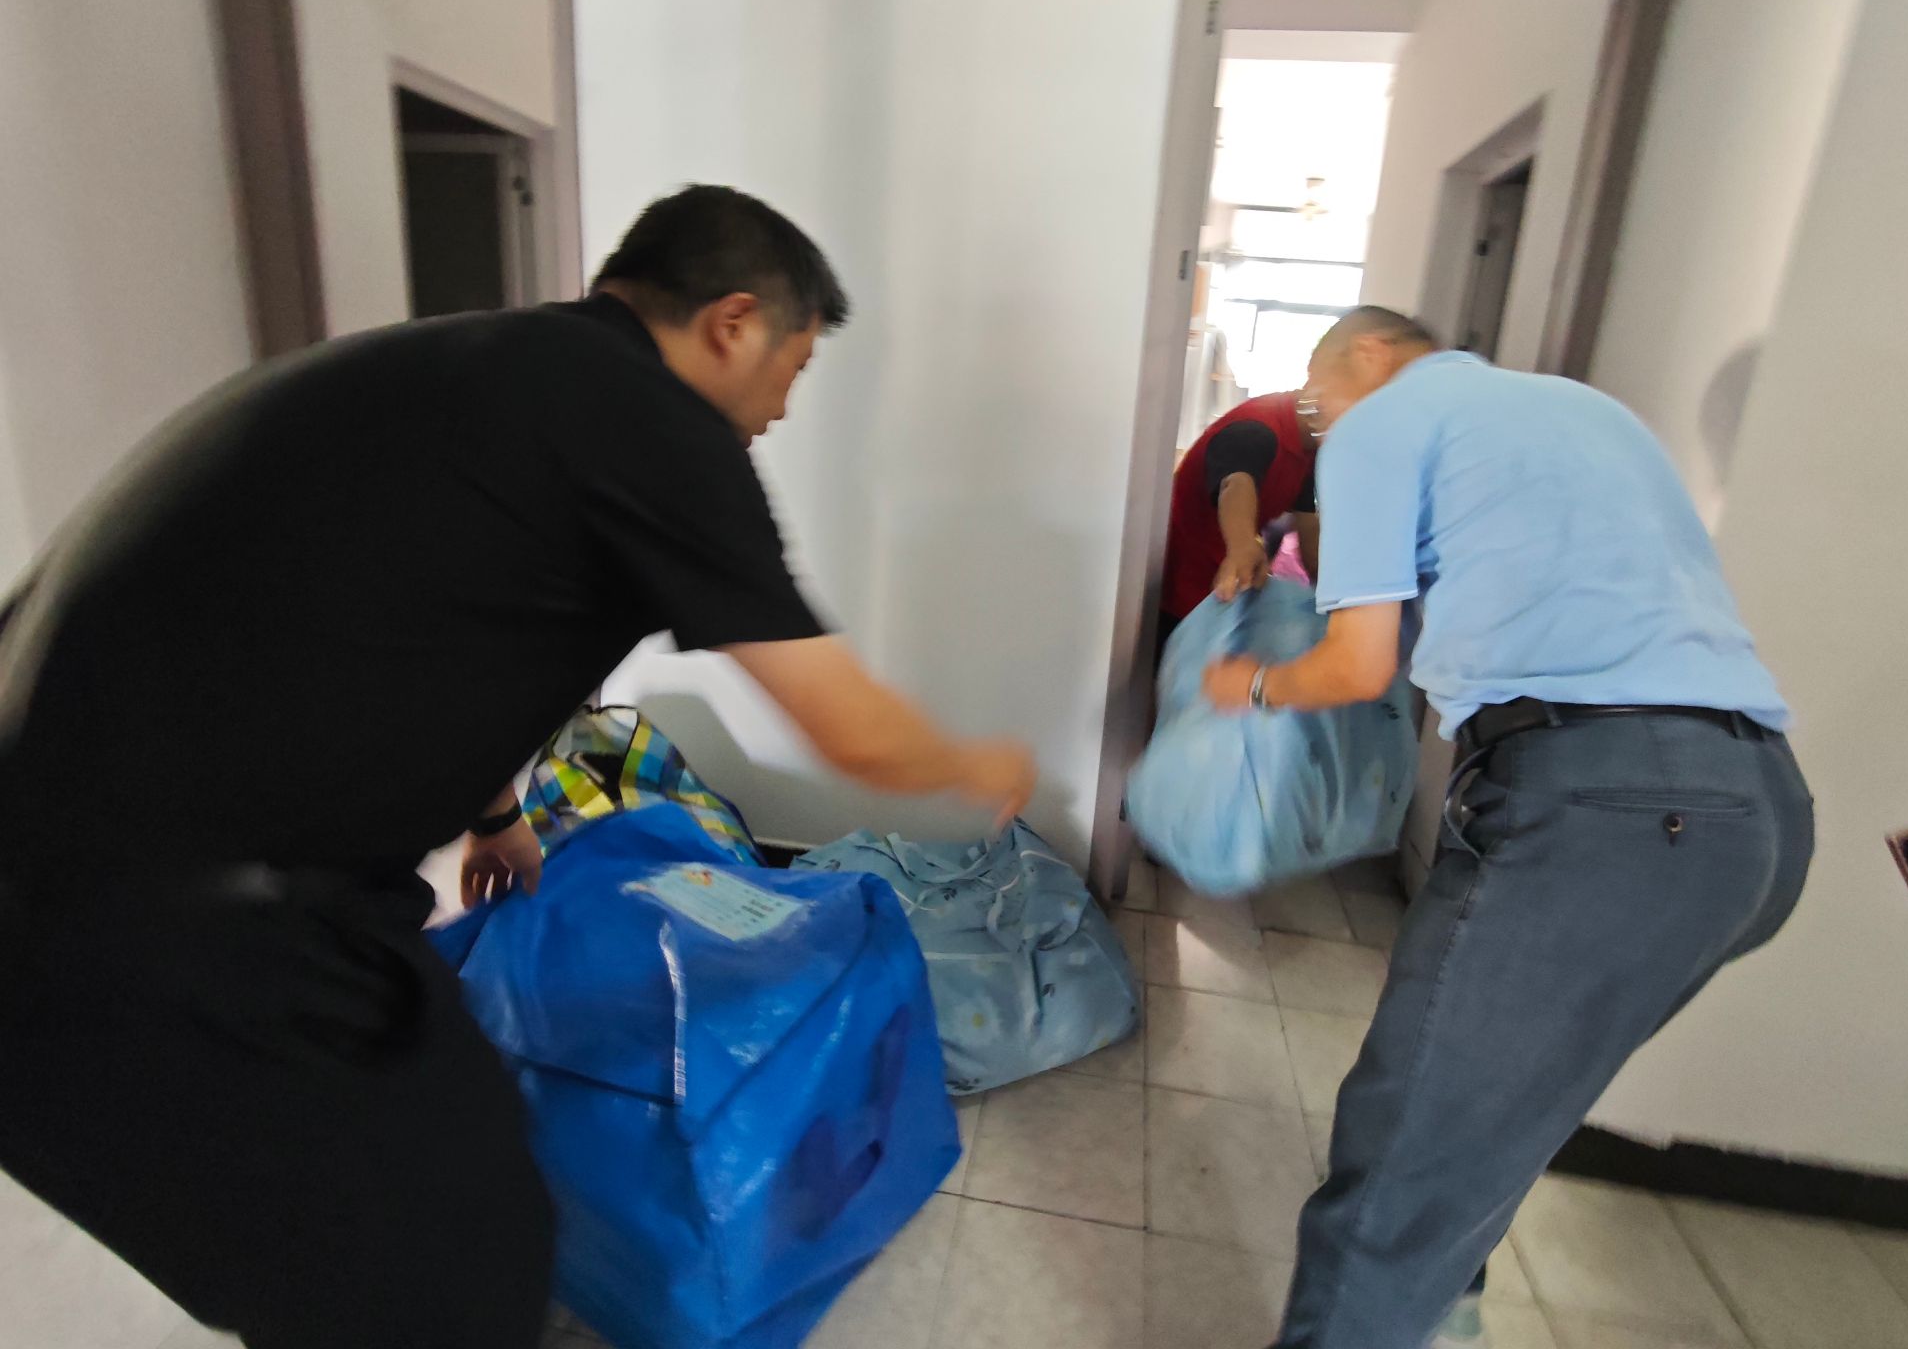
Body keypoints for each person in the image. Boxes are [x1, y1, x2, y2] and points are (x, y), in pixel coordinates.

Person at [0, 185, 1035, 1349]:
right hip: (151, 930)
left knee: (371, 1242)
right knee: (445, 1270)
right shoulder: (652, 420)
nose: (782, 410)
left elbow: (421, 630)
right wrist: (976, 761)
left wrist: (496, 813)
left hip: (78, 878)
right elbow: (847, 728)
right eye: (792, 371)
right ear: (733, 323)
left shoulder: (470, 373)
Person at [1203, 308, 1810, 1349]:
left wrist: (1248, 684)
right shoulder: (1584, 410)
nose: (1317, 424)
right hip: (1757, 814)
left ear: (1370, 355)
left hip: (1609, 812)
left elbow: (1356, 665)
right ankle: (1443, 1315)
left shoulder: (1379, 423)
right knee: (1487, 1116)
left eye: (1317, 400)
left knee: (1410, 1147)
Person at [1159, 387, 1321, 646]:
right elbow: (1235, 483)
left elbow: (1308, 525)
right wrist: (1244, 546)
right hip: (1184, 585)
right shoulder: (1255, 428)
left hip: (1229, 592)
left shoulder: (1308, 448)